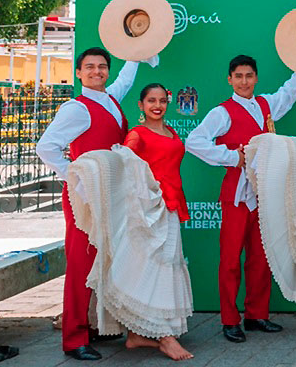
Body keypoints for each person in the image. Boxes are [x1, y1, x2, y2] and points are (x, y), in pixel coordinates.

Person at [35, 47, 150, 361]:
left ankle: (96, 326)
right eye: (89, 67)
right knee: (81, 265)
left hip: (109, 192)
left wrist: (137, 52)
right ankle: (74, 339)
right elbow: (46, 147)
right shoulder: (76, 108)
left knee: (105, 261)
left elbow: (124, 82)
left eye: (102, 67)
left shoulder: (110, 99)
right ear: (78, 73)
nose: (96, 71)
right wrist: (76, 178)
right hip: (83, 197)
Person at [184, 55, 296, 343]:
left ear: (256, 78)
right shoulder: (222, 112)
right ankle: (229, 320)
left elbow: (289, 92)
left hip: (265, 194)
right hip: (237, 195)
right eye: (238, 76)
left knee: (260, 257)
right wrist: (230, 157)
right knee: (229, 260)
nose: (244, 81)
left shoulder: (266, 104)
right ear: (230, 79)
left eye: (249, 75)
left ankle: (256, 315)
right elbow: (193, 141)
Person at [114, 83, 194, 360]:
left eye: (161, 100)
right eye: (151, 101)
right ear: (141, 105)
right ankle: (165, 337)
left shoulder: (171, 132)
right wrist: (146, 197)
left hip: (170, 204)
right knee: (154, 268)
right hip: (150, 209)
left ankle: (136, 335)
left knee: (164, 265)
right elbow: (124, 164)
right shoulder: (137, 135)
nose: (157, 105)